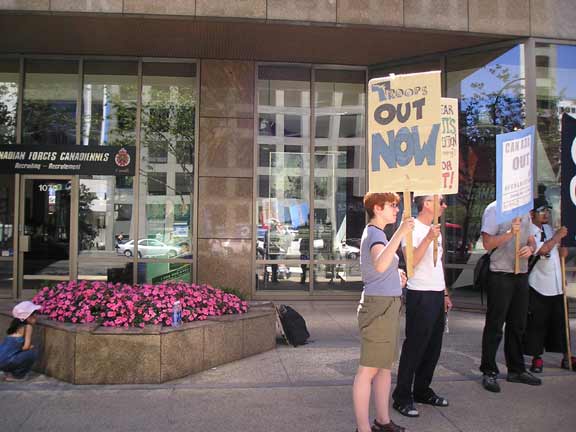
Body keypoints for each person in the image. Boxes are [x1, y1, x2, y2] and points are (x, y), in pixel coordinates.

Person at [353, 192, 414, 432]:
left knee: (383, 367)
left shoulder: (377, 234)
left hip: (385, 304)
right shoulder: (376, 233)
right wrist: (400, 232)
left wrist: (395, 273)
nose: (396, 210)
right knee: (369, 369)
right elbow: (379, 263)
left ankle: (382, 421)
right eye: (392, 205)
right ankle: (364, 427)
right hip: (379, 306)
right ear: (377, 208)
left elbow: (380, 266)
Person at [392, 195, 452, 417]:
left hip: (436, 293)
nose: (445, 206)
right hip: (420, 293)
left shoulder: (435, 229)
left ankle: (422, 389)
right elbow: (411, 262)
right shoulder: (412, 226)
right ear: (427, 203)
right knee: (415, 346)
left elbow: (438, 265)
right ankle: (402, 395)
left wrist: (445, 291)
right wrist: (427, 239)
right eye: (441, 201)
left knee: (433, 347)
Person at [479, 201, 540, 392]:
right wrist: (509, 234)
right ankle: (488, 371)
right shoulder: (494, 209)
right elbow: (487, 243)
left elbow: (531, 239)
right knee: (495, 325)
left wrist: (531, 248)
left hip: (520, 274)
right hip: (500, 274)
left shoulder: (524, 211)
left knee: (518, 324)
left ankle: (516, 369)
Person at [524, 197, 576, 372]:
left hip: (556, 284)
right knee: (537, 324)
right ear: (532, 214)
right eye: (541, 211)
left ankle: (566, 355)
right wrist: (557, 237)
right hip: (538, 284)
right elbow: (542, 249)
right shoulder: (528, 231)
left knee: (560, 323)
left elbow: (558, 252)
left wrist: (563, 248)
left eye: (547, 210)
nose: (545, 214)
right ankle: (536, 358)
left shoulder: (549, 229)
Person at [0, 301, 41, 381]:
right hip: (6, 362)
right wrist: (31, 347)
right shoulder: (28, 327)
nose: (36, 317)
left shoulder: (14, 328)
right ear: (28, 317)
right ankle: (18, 376)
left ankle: (8, 371)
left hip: (2, 360)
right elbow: (26, 347)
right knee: (32, 352)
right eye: (34, 315)